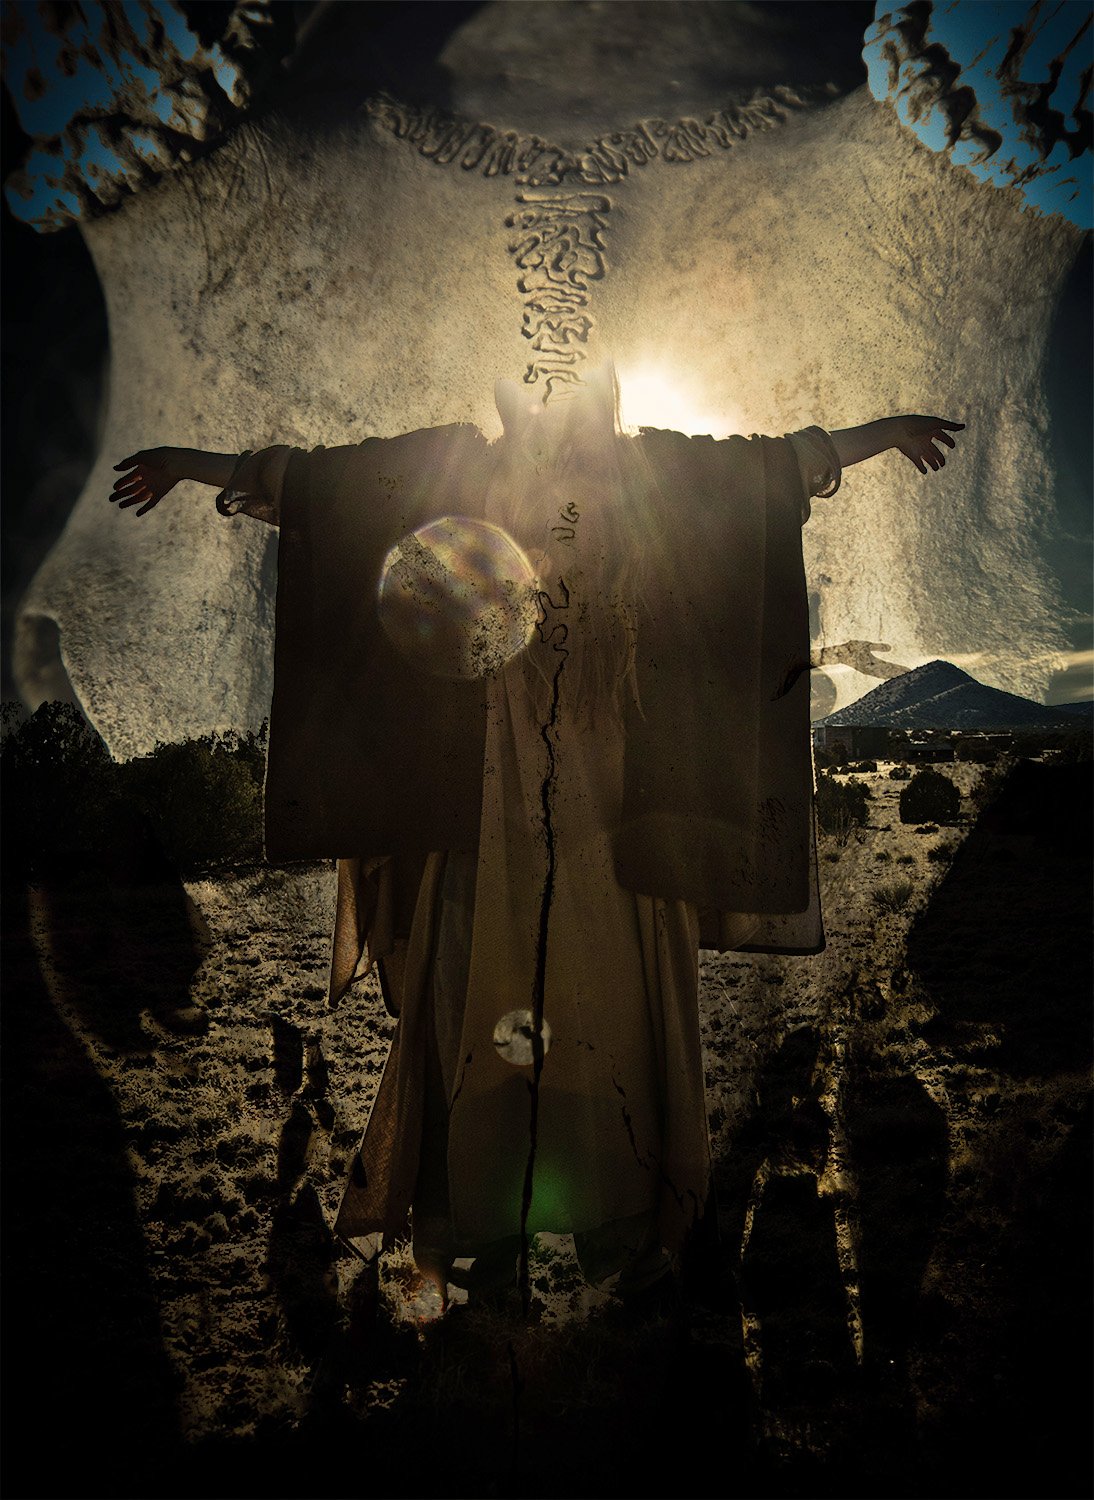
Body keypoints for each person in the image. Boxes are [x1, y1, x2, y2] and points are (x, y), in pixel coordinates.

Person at [110, 369, 963, 1306]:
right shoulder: (454, 475)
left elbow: (772, 470)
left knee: (618, 1012)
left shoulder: (652, 482)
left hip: (616, 818)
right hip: (479, 805)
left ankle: (622, 1224)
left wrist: (884, 431)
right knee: (473, 1006)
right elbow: (323, 486)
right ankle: (486, 1231)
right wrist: (189, 464)